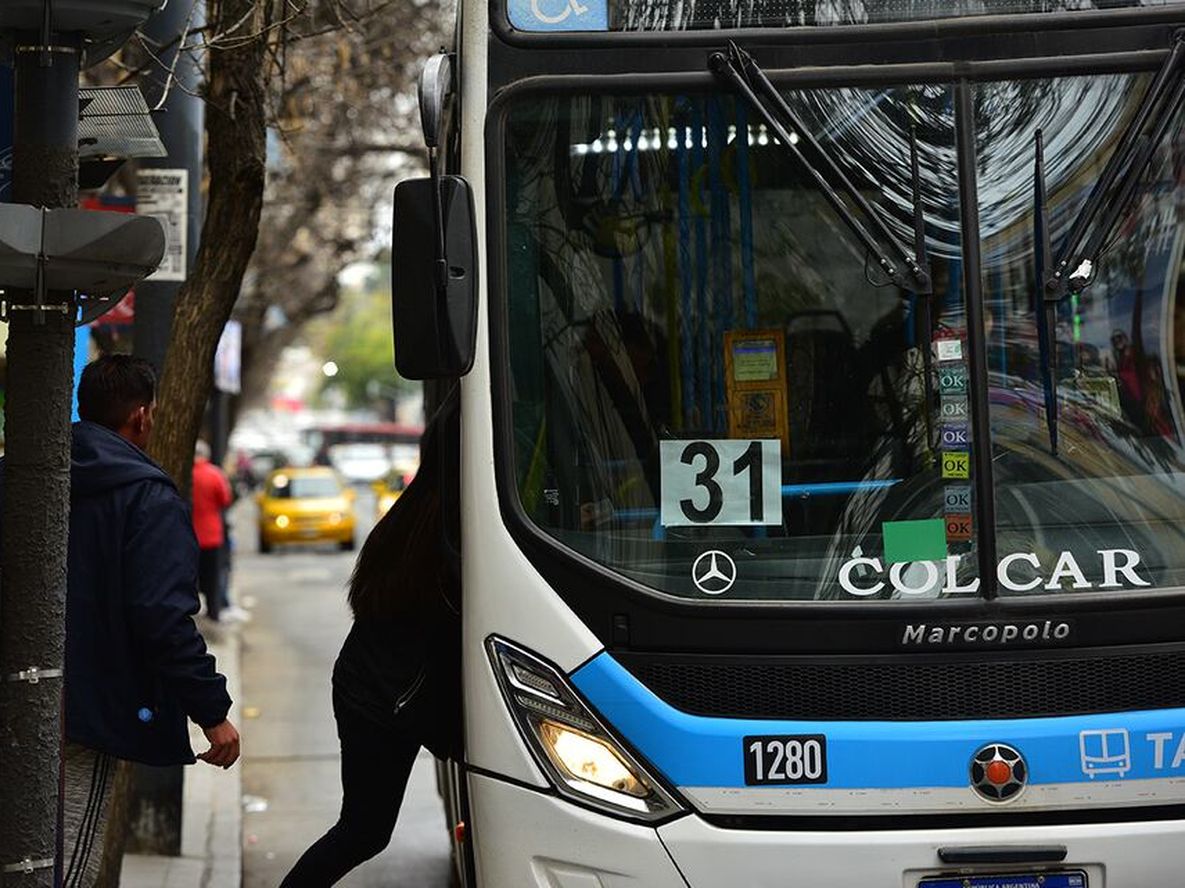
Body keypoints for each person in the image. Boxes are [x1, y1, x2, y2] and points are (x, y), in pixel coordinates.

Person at [1, 355, 241, 887]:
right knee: (65, 866)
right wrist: (212, 710)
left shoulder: (23, 474)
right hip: (84, 711)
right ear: (141, 416)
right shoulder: (148, 498)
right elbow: (161, 616)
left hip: (19, 695)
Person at [281, 403, 460, 886]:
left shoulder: (417, 512)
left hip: (382, 691)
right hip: (383, 698)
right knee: (363, 831)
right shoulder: (444, 530)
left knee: (363, 830)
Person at [192, 439, 232, 622]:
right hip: (211, 535)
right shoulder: (215, 475)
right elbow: (225, 499)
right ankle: (213, 612)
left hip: (190, 534)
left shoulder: (188, 474)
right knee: (213, 578)